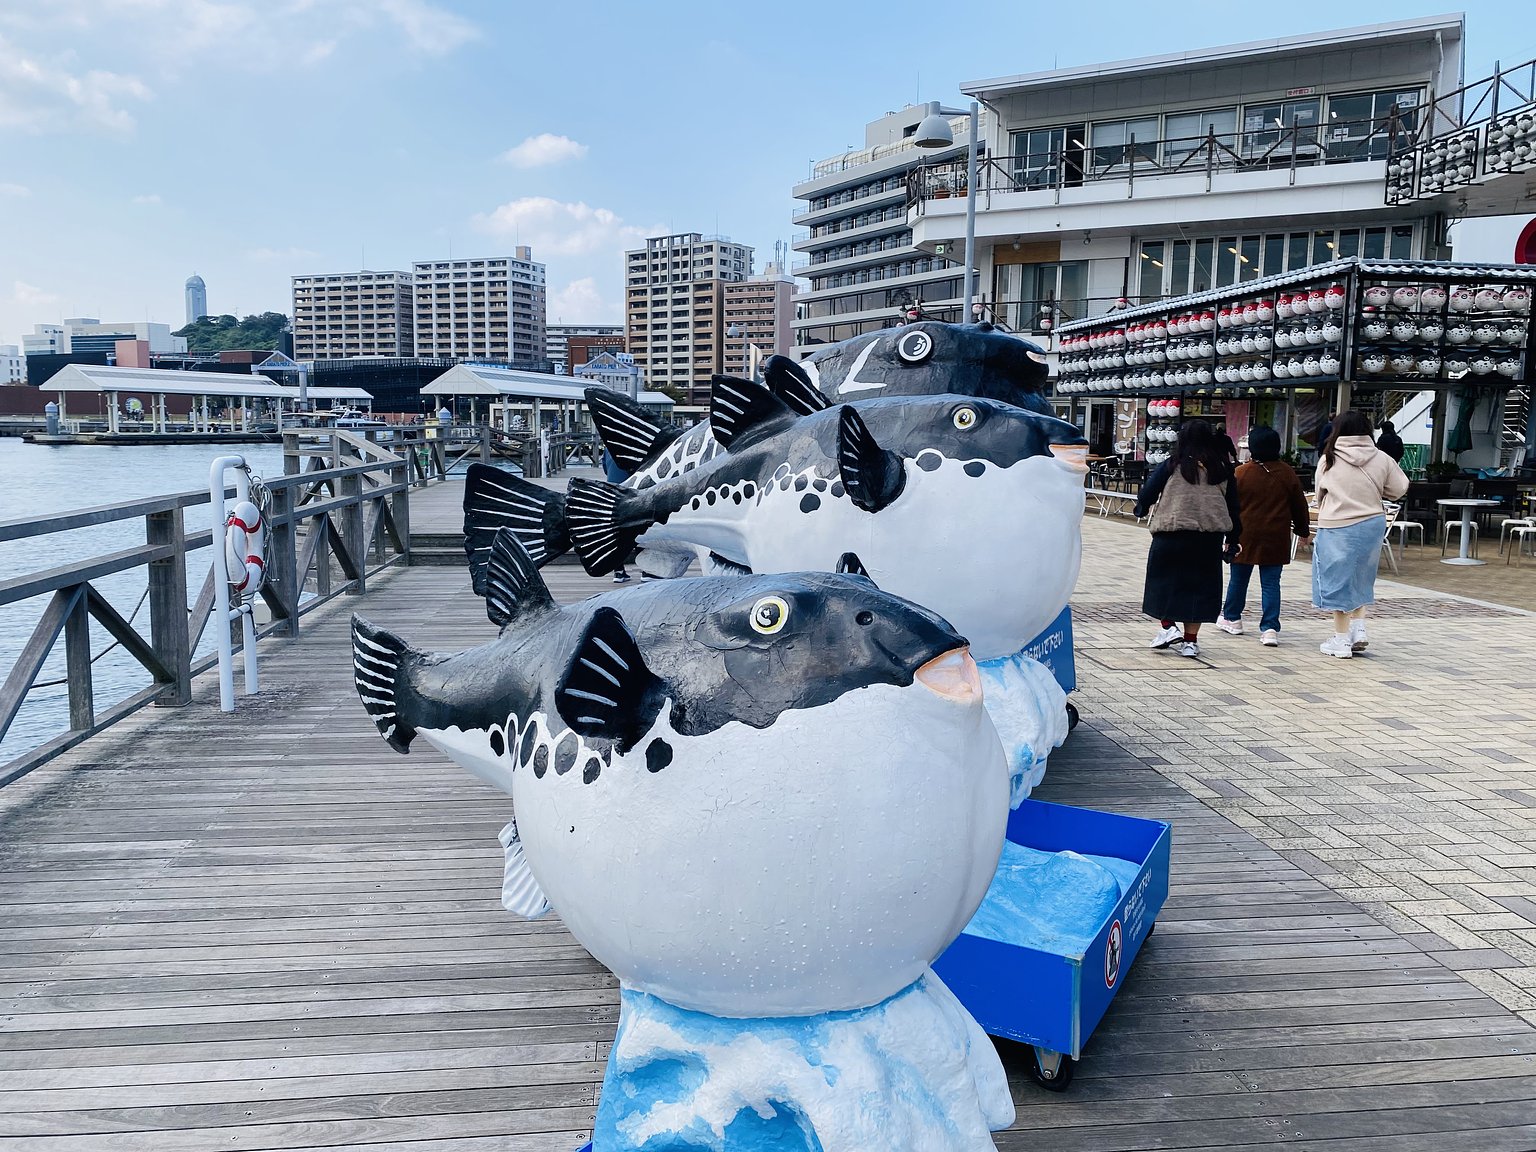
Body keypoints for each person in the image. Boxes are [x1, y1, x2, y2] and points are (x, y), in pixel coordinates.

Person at [1133, 419, 1242, 659]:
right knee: (1199, 590)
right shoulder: (1222, 469)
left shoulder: (1172, 464)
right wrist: (1233, 538)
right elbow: (1234, 507)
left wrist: (1141, 508)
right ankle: (1190, 642)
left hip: (1170, 534)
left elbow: (1148, 492)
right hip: (1208, 539)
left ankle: (1168, 628)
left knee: (1162, 584)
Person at [1312, 410, 1410, 658]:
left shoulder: (1329, 458)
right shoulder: (1382, 457)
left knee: (1337, 579)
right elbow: (1399, 488)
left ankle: (1341, 640)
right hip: (1371, 522)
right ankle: (1359, 628)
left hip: (1336, 523)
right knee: (1362, 575)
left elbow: (1319, 492)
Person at [1216, 426, 1311, 646]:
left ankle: (1232, 618)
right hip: (1276, 536)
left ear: (1252, 447)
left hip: (1244, 535)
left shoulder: (1241, 473)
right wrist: (1302, 531)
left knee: (1238, 579)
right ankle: (1269, 628)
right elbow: (1299, 506)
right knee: (1271, 584)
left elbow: (1228, 506)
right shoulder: (1287, 473)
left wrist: (1226, 534)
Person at [602, 449, 633, 583]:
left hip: (611, 491)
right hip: (631, 490)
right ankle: (647, 570)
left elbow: (605, 467)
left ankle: (618, 571)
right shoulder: (635, 446)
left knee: (616, 532)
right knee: (641, 528)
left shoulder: (608, 449)